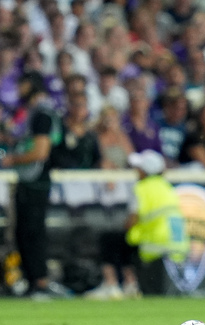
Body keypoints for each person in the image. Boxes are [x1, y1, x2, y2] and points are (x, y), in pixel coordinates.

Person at [85, 149, 189, 300]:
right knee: (125, 242)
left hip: (155, 243)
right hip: (177, 244)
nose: (136, 171)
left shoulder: (142, 188)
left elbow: (132, 220)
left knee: (110, 239)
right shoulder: (168, 187)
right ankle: (130, 283)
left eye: (138, 168)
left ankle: (113, 284)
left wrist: (126, 226)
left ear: (145, 171)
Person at [1, 71, 70, 299]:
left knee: (31, 231)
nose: (18, 90)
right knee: (25, 231)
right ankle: (33, 282)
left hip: (35, 180)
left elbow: (40, 151)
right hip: (32, 180)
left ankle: (39, 282)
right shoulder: (37, 113)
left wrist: (12, 159)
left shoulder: (41, 114)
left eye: (21, 84)